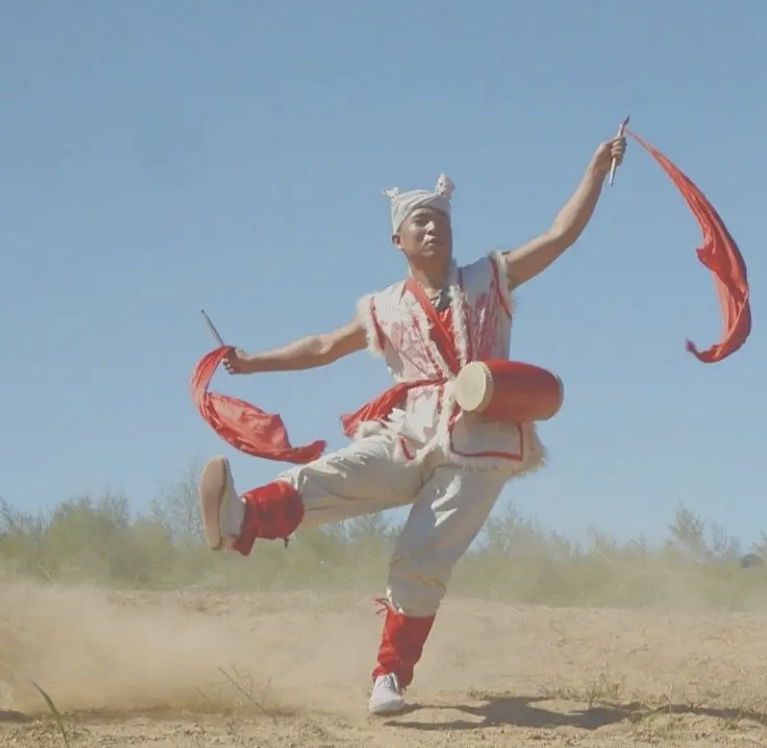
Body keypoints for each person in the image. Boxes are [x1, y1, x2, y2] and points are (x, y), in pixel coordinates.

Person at [196, 131, 626, 715]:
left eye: (440, 221)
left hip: (481, 442)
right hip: (410, 428)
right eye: (419, 222)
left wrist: (595, 171)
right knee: (335, 474)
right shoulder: (384, 306)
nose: (432, 229)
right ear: (396, 238)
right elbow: (324, 345)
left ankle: (389, 678)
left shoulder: (489, 277)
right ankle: (240, 519)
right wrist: (252, 362)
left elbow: (559, 235)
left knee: (422, 557)